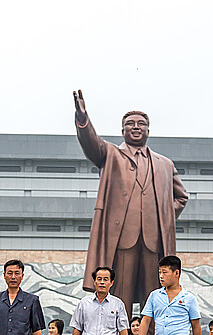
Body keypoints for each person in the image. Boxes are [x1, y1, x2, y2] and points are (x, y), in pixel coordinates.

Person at [73, 90, 188, 322]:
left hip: (154, 242)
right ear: (122, 130)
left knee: (155, 296)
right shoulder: (111, 154)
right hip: (123, 239)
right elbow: (91, 144)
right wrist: (83, 119)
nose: (136, 127)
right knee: (120, 296)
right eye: (130, 124)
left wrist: (163, 219)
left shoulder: (164, 164)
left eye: (141, 124)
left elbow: (181, 197)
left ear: (148, 130)